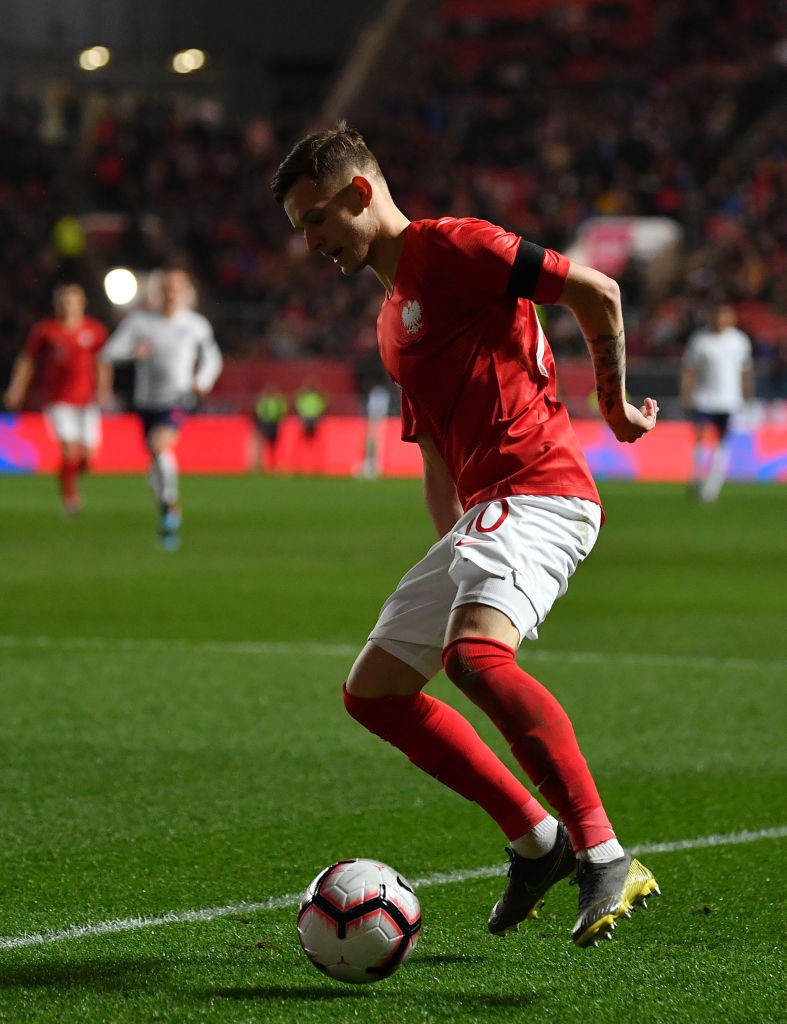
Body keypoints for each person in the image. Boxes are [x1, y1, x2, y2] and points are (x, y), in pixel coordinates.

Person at [272, 123, 662, 949]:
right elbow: (437, 454)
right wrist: (456, 552)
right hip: (489, 510)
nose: (311, 242)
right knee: (373, 690)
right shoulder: (390, 320)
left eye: (314, 219)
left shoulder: (455, 246)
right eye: (299, 228)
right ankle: (537, 841)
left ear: (358, 192)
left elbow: (597, 291)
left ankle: (605, 853)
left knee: (475, 658)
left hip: (544, 489)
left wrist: (615, 404)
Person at [98, 266, 223, 549]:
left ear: (186, 292)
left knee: (159, 446)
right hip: (145, 402)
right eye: (166, 287)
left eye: (177, 287)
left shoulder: (195, 324)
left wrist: (201, 381)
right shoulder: (140, 322)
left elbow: (213, 358)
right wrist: (133, 352)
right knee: (155, 459)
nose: (171, 292)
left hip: (179, 398)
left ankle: (169, 506)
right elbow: (108, 352)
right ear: (157, 291)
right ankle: (167, 506)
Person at [3, 282, 108, 515]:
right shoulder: (46, 331)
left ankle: (70, 476)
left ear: (82, 303)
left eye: (72, 300)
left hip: (87, 401)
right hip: (58, 401)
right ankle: (70, 498)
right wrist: (16, 388)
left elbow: (103, 362)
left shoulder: (95, 330)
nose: (67, 305)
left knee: (88, 458)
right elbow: (27, 360)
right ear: (56, 303)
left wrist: (104, 389)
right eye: (63, 301)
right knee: (69, 451)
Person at [680, 303, 755, 502]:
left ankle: (712, 486)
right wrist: (686, 394)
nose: (721, 320)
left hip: (729, 400)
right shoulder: (700, 340)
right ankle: (697, 477)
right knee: (700, 438)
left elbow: (745, 371)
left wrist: (747, 396)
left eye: (726, 316)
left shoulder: (739, 341)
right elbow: (690, 370)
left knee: (722, 443)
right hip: (704, 398)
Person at [250, 389, 289, 472]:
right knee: (262, 445)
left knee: (272, 445)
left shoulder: (275, 402)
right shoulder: (265, 402)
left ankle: (272, 464)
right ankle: (259, 465)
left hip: (273, 423)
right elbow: (258, 412)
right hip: (264, 423)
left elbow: (282, 411)